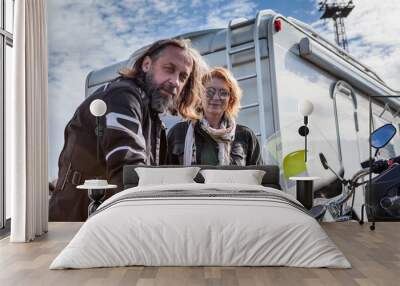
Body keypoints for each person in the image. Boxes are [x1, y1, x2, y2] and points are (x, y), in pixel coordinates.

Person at [50, 39, 206, 221]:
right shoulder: (122, 97)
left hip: (101, 220)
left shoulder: (153, 119)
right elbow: (130, 170)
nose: (175, 82)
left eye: (182, 77)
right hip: (76, 221)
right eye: (169, 69)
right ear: (147, 64)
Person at [167, 67, 262, 166]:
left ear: (231, 99)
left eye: (223, 93)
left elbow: (258, 177)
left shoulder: (245, 136)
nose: (216, 97)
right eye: (210, 92)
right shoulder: (178, 133)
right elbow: (166, 177)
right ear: (200, 96)